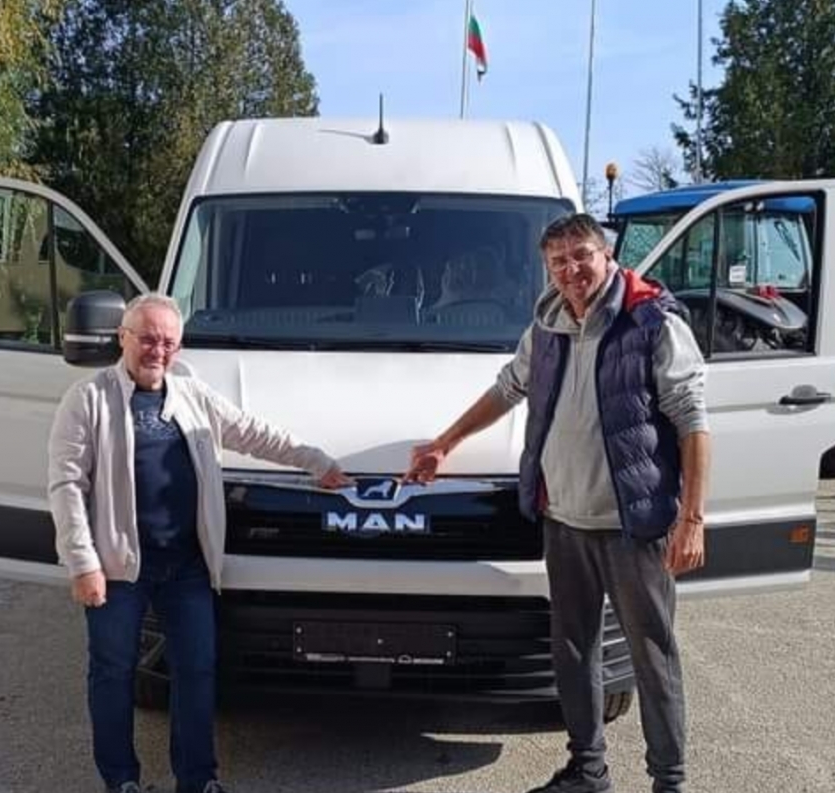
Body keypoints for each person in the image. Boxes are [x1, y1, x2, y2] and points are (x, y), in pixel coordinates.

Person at [405, 213, 710, 793]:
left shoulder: (651, 320)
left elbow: (693, 420)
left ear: (607, 255)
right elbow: (507, 388)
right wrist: (445, 443)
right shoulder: (547, 325)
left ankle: (669, 782)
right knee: (572, 651)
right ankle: (588, 770)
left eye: (581, 255)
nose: (571, 270)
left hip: (633, 526)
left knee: (652, 656)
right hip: (564, 520)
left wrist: (692, 518)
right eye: (558, 261)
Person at [48, 293, 352, 793]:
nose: (158, 350)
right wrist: (83, 563)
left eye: (168, 342)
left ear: (179, 346)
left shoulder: (191, 394)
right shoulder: (88, 399)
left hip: (187, 567)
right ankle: (120, 780)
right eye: (147, 339)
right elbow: (66, 485)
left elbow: (253, 433)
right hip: (120, 570)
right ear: (123, 338)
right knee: (113, 673)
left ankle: (197, 779)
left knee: (196, 671)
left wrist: (317, 461)